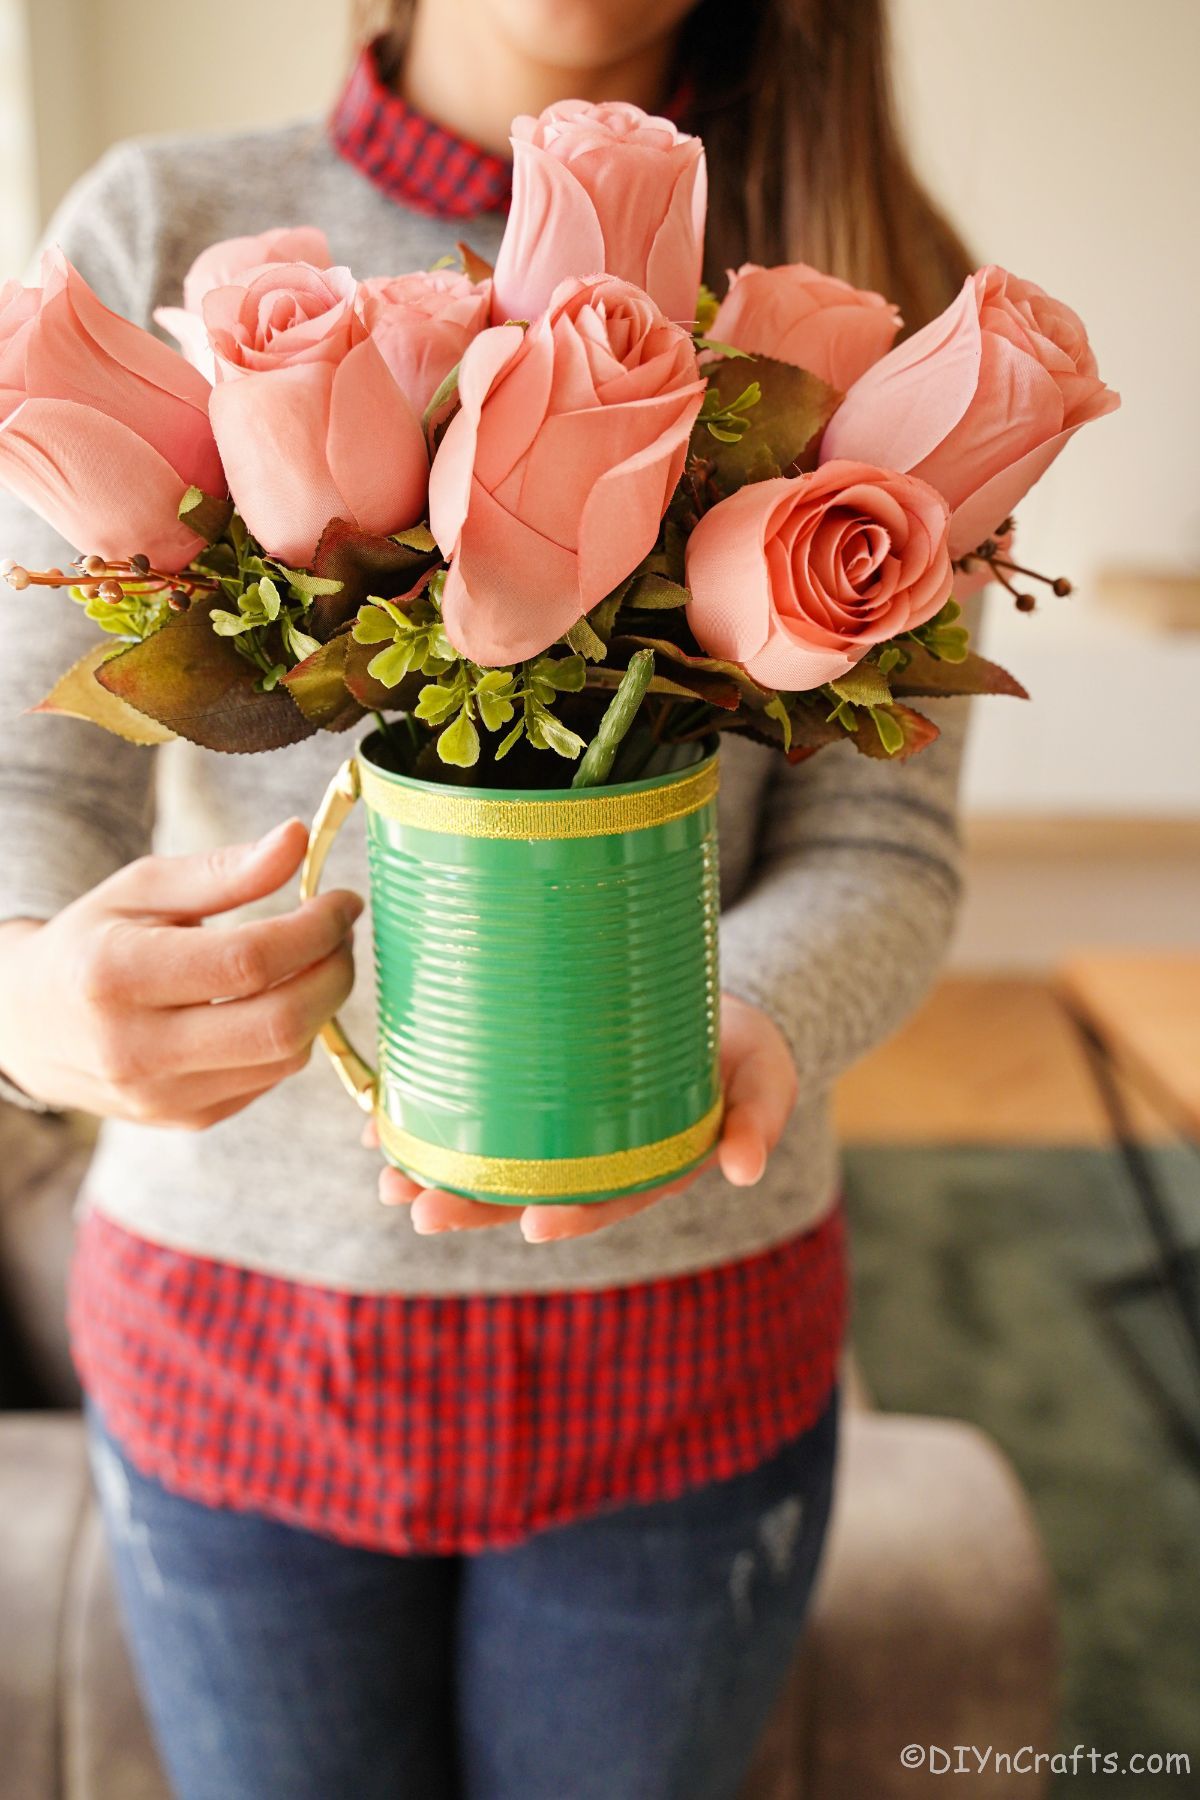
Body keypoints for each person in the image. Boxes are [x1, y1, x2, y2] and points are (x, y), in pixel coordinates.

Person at [0, 2, 975, 1795]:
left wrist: (724, 1021)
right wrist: (26, 999)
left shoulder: (860, 298)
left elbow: (883, 848)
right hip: (233, 1338)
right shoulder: (159, 232)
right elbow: (21, 773)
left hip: (694, 1356)